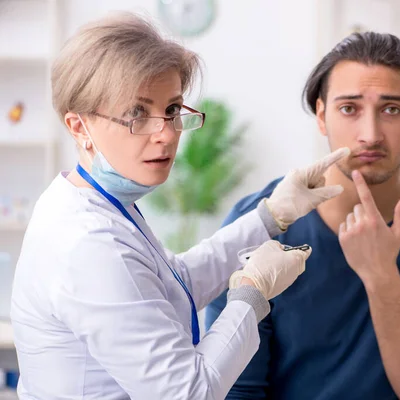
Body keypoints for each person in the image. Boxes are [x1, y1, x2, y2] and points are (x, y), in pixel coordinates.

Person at [9, 12, 350, 400]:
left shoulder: (96, 203)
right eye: (137, 113)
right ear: (78, 126)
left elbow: (174, 285)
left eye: (172, 110)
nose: (167, 134)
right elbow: (189, 394)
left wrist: (270, 215)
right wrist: (251, 293)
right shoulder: (87, 243)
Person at [205, 31, 400, 400]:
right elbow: (236, 392)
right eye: (349, 109)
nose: (370, 134)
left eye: (391, 109)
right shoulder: (256, 223)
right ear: (322, 115)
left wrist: (382, 276)